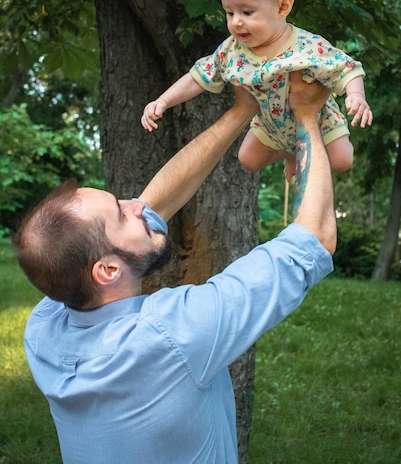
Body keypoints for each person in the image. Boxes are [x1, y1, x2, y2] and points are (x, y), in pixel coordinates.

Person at [15, 73, 336, 464]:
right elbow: (315, 239)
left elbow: (152, 209)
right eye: (121, 212)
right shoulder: (174, 334)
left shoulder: (44, 329)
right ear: (108, 271)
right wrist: (306, 117)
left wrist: (242, 111)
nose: (136, 204)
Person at [142, 0, 372, 180]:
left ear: (282, 7)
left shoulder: (307, 46)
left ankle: (301, 151)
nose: (236, 22)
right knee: (248, 159)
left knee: (342, 160)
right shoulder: (231, 50)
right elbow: (197, 77)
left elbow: (346, 67)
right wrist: (164, 100)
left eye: (247, 12)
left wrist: (356, 95)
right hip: (272, 125)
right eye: (230, 13)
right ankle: (290, 152)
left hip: (319, 121)